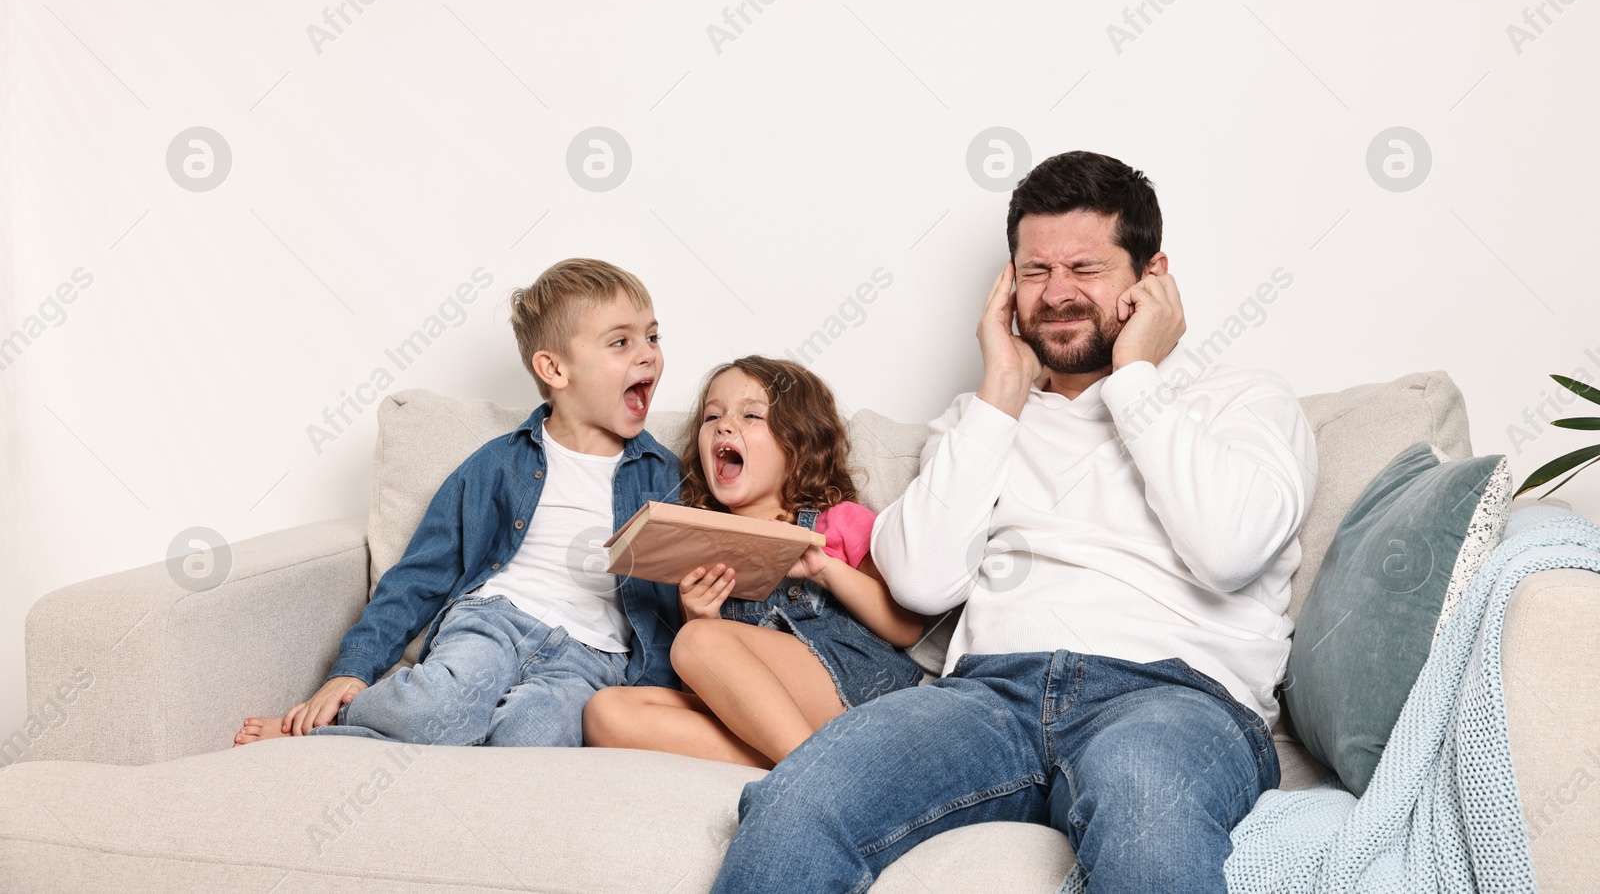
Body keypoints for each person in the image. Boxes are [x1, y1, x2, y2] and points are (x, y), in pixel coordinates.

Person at [709, 151, 1318, 894]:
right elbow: (921, 580)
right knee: (796, 803)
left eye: (1085, 268)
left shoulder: (1241, 400)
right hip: (988, 696)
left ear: (1153, 276)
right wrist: (1000, 390)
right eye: (1035, 272)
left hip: (1174, 701)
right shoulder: (983, 420)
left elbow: (1228, 549)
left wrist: (1135, 380)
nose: (1057, 295)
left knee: (1149, 822)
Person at [234, 258, 684, 748]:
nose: (648, 356)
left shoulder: (667, 479)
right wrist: (355, 669)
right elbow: (419, 575)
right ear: (554, 368)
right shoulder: (497, 465)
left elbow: (683, 597)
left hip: (590, 658)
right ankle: (330, 725)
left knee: (532, 741)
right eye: (621, 342)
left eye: (653, 337)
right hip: (494, 621)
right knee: (443, 706)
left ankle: (470, 744)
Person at [584, 356, 926, 768]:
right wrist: (698, 615)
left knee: (696, 643)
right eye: (713, 416)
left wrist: (826, 571)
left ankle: (811, 774)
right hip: (776, 724)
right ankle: (799, 763)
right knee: (605, 712)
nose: (724, 425)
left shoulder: (837, 520)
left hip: (856, 690)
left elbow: (906, 628)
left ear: (798, 443)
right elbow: (721, 676)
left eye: (750, 415)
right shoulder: (699, 545)